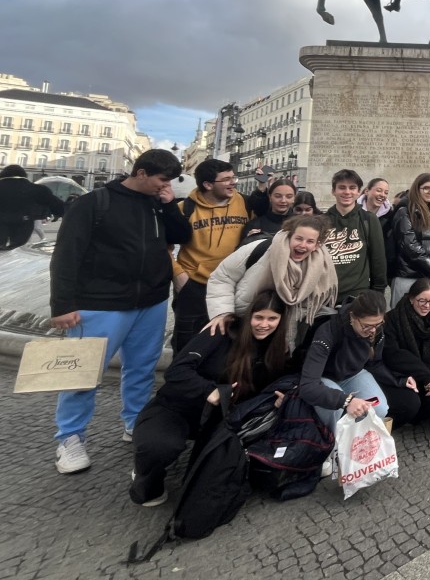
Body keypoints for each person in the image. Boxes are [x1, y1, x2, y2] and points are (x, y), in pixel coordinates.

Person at [49, 148, 191, 474]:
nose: (165, 185)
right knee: (81, 374)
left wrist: (170, 205)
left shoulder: (159, 203)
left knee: (141, 369)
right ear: (141, 173)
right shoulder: (93, 203)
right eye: (161, 179)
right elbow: (67, 253)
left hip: (151, 302)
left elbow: (183, 236)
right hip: (100, 303)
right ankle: (70, 438)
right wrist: (62, 305)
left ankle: (136, 422)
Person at [130, 292, 292, 506]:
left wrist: (282, 397)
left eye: (272, 319)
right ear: (248, 315)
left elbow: (274, 387)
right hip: (177, 408)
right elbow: (176, 371)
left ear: (280, 321)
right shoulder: (221, 332)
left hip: (219, 420)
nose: (264, 324)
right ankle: (145, 473)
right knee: (158, 448)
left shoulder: (277, 351)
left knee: (209, 480)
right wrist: (209, 390)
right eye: (258, 317)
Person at [205, 214, 339, 351]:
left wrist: (289, 337)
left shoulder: (320, 265)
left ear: (317, 245)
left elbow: (306, 306)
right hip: (240, 322)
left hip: (278, 332)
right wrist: (223, 312)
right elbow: (223, 276)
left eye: (310, 241)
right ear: (289, 235)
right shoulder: (260, 249)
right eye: (299, 238)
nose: (303, 245)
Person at [170, 158, 251, 353]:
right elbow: (165, 246)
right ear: (207, 184)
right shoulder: (185, 209)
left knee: (226, 341)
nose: (233, 183)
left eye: (233, 178)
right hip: (195, 285)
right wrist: (180, 277)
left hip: (232, 285)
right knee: (187, 342)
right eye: (226, 179)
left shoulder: (245, 203)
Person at [298, 290, 390, 433]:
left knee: (380, 409)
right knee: (336, 411)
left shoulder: (375, 328)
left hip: (353, 374)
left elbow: (375, 363)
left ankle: (360, 445)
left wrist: (401, 381)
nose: (373, 331)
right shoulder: (328, 331)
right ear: (352, 317)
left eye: (378, 324)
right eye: (366, 326)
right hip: (324, 377)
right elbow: (308, 386)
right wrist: (346, 401)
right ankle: (332, 443)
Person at [374, 278, 430, 425]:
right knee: (411, 403)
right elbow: (393, 354)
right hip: (400, 373)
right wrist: (425, 375)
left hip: (427, 371)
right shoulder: (393, 319)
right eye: (422, 301)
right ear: (411, 299)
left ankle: (415, 418)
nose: (427, 306)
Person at [389, 173, 430, 308]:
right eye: (426, 188)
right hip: (409, 277)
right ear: (417, 189)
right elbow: (410, 246)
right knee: (403, 319)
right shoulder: (404, 212)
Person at [324, 169, 387, 302]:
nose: (347, 192)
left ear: (359, 192)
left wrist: (378, 294)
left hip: (358, 296)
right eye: (342, 187)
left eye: (352, 188)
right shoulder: (321, 221)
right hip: (325, 295)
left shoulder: (369, 220)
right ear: (333, 191)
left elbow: (378, 260)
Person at [0, 164, 64, 250]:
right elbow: (57, 205)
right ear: (24, 175)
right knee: (17, 250)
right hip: (23, 223)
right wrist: (58, 213)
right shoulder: (36, 189)